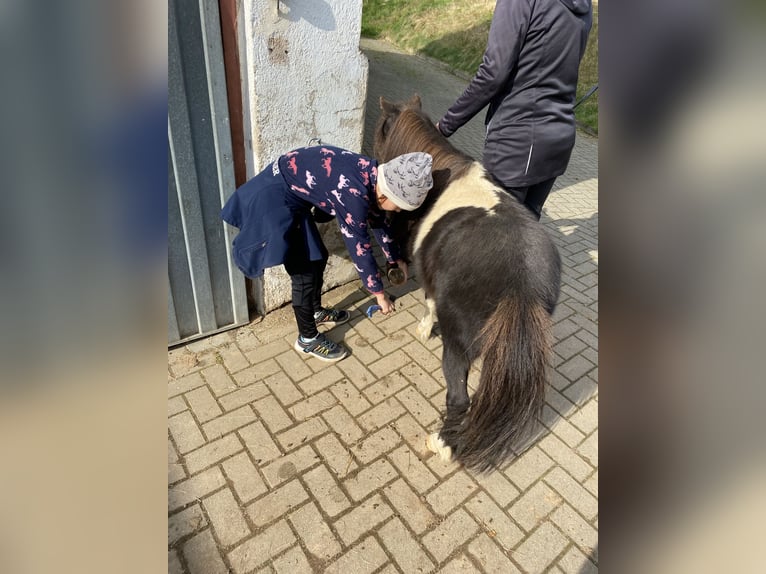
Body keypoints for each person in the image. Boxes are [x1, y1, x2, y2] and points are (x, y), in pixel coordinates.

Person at [221, 146, 433, 362]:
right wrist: (380, 295)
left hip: (295, 197)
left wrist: (394, 258)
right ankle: (307, 339)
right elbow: (360, 249)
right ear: (386, 193)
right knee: (304, 274)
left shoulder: (372, 174)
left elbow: (378, 220)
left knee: (318, 257)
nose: (396, 211)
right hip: (276, 200)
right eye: (398, 207)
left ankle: (315, 312)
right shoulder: (352, 194)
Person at [436, 0, 592, 220]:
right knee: (525, 235)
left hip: (517, 141)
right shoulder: (585, 6)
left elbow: (493, 73)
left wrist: (444, 126)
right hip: (559, 136)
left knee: (496, 239)